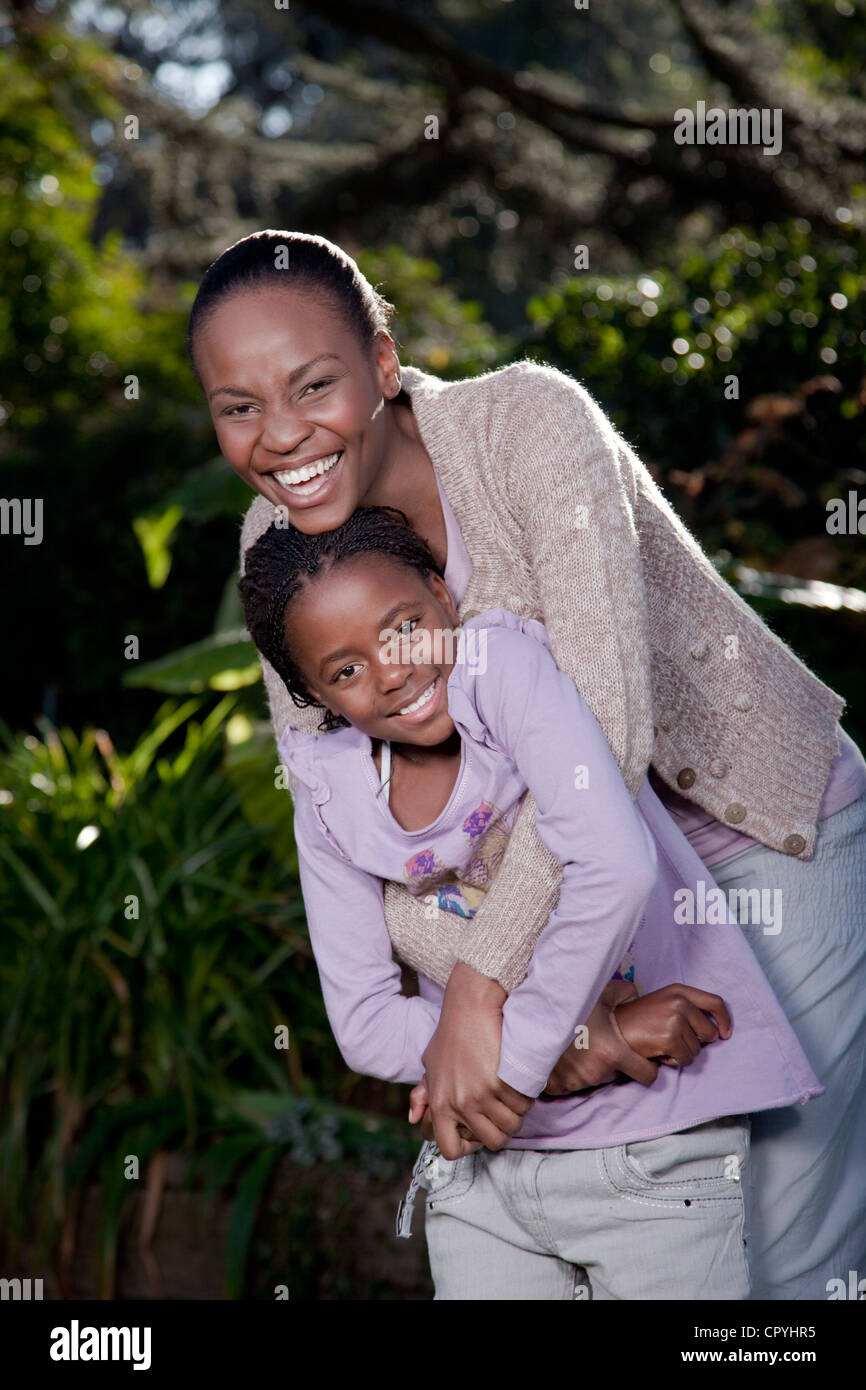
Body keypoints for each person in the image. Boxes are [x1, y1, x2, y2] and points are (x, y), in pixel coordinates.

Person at [187, 228, 866, 1300]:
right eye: (238, 407)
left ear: (381, 359)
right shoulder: (273, 547)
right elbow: (355, 830)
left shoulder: (528, 426)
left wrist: (479, 987)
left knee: (775, 1263)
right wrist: (549, 1027)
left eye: (312, 383)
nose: (280, 437)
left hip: (746, 839)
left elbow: (608, 752)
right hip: (563, 897)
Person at [236, 504, 821, 1300]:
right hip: (481, 1175)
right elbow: (366, 1025)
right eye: (343, 672)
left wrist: (496, 1066)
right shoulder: (327, 789)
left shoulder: (501, 670)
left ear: (444, 596)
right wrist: (591, 1040)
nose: (392, 672)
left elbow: (614, 864)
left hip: (653, 1139)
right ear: (312, 694)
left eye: (405, 627)